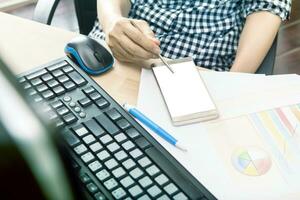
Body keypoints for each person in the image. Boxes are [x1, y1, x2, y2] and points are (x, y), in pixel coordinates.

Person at [89, 0, 291, 73]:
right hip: (107, 57)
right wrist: (112, 21)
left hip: (193, 82)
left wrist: (230, 90)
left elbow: (267, 9)